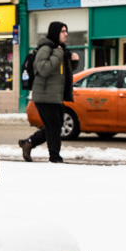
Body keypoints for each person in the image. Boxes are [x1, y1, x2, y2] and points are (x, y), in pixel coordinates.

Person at [19, 22, 79, 163]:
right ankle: (55, 157)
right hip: (44, 96)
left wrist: (73, 62)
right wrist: (58, 53)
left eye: (66, 31)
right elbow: (43, 69)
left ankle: (28, 143)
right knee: (54, 127)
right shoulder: (46, 49)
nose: (66, 34)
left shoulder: (60, 50)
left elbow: (61, 73)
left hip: (55, 96)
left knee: (55, 127)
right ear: (55, 32)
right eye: (63, 31)